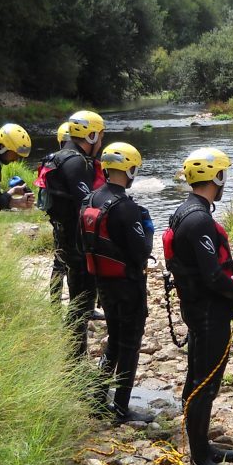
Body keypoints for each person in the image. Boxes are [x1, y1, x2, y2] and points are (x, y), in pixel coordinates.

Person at [163, 147, 233, 465]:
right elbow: (213, 275)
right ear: (217, 177)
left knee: (197, 377)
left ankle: (201, 445)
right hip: (207, 312)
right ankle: (201, 461)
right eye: (223, 175)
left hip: (197, 308)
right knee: (205, 384)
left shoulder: (185, 211)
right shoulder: (199, 219)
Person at [79, 142, 155, 422]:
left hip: (103, 283)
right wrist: (148, 228)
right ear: (130, 170)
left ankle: (98, 398)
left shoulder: (88, 200)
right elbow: (142, 251)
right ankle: (122, 408)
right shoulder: (126, 207)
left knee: (114, 339)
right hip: (128, 285)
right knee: (130, 344)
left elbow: (82, 243)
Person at [36, 110, 105, 360]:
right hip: (77, 243)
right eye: (100, 136)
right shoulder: (76, 162)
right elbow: (87, 204)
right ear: (91, 135)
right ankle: (74, 360)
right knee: (81, 302)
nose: (101, 142)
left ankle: (75, 356)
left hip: (64, 235)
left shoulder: (57, 157)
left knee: (80, 300)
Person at [37, 121, 72, 303]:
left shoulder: (51, 161)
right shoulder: (75, 162)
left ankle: (55, 304)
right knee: (72, 265)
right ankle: (81, 306)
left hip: (57, 219)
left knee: (59, 263)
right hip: (71, 221)